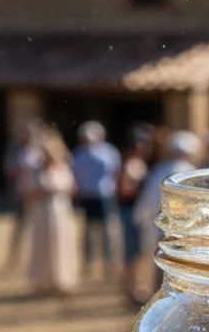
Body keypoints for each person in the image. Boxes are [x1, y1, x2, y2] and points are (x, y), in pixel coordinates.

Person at [133, 130, 200, 300]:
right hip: (183, 229)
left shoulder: (162, 169)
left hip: (163, 227)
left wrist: (141, 218)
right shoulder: (192, 172)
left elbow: (149, 200)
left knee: (161, 265)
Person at [24, 129, 79, 296]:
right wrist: (43, 192)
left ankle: (63, 281)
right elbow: (29, 193)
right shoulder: (37, 172)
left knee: (62, 244)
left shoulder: (64, 170)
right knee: (45, 246)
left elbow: (73, 189)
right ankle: (44, 282)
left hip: (61, 211)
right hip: (43, 212)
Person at [70, 121, 121, 277]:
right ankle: (89, 263)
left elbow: (116, 171)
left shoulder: (109, 152)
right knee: (88, 231)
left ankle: (108, 263)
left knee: (107, 231)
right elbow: (75, 174)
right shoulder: (78, 153)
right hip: (87, 196)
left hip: (104, 195)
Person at [117, 124, 154, 303]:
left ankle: (135, 287)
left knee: (138, 253)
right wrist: (143, 191)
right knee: (131, 254)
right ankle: (129, 289)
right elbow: (124, 190)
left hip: (137, 212)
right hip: (129, 212)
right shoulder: (129, 164)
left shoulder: (139, 164)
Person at [3, 120, 46, 271]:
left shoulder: (42, 151)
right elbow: (10, 171)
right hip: (21, 193)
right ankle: (14, 258)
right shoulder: (16, 151)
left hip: (39, 195)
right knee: (19, 227)